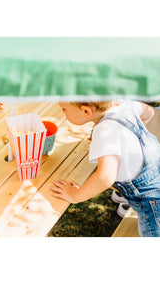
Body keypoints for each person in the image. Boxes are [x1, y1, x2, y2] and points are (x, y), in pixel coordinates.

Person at [49, 99, 160, 237]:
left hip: (151, 201)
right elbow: (148, 112)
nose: (62, 112)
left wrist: (75, 195)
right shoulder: (122, 103)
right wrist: (125, 139)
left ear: (86, 111)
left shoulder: (105, 132)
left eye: (63, 108)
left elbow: (104, 177)